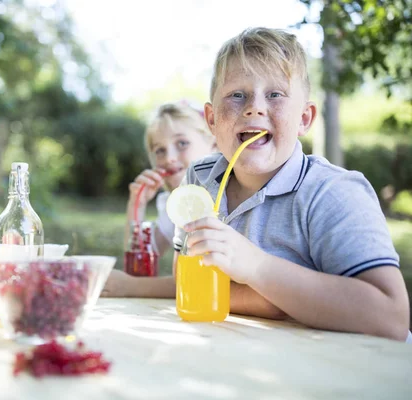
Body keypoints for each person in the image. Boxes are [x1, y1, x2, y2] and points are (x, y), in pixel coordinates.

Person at [172, 27, 410, 341]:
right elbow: (184, 281)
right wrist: (272, 302)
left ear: (304, 118)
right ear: (212, 119)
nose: (254, 107)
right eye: (237, 95)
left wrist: (256, 268)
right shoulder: (199, 181)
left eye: (275, 94)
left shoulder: (333, 193)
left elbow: (390, 316)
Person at [101, 101, 217, 297]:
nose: (169, 158)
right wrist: (136, 204)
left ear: (214, 144)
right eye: (160, 150)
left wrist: (130, 287)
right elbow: (140, 264)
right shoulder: (176, 204)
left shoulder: (221, 199)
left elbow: (202, 283)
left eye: (182, 143)